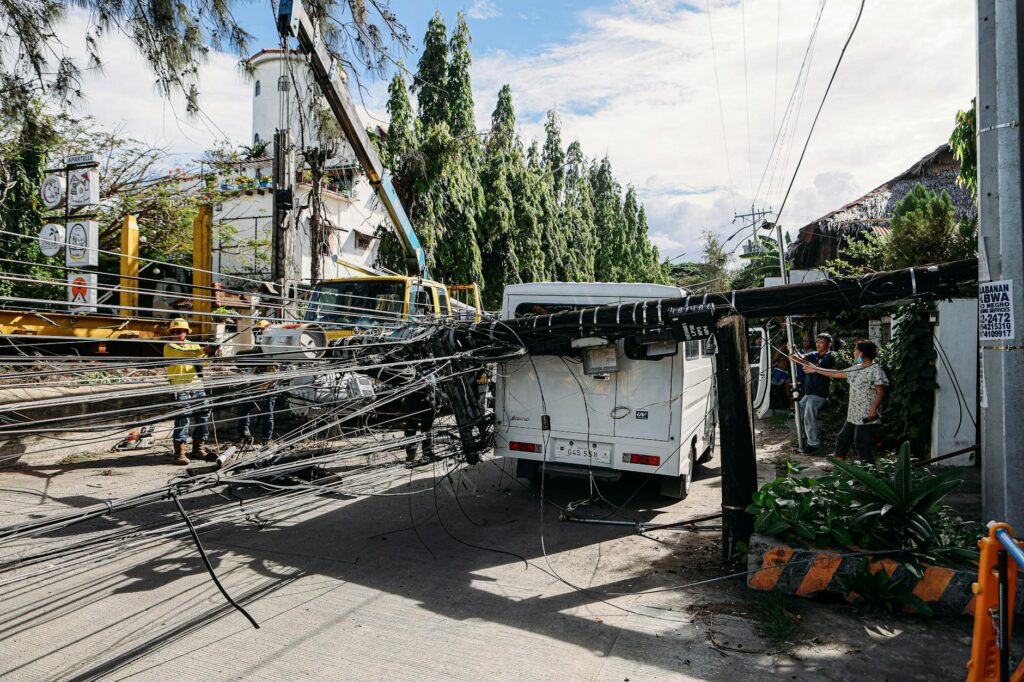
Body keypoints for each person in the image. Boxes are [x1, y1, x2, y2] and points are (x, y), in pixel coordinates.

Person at [794, 339, 887, 464]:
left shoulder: (875, 369)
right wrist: (815, 369)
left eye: (855, 350)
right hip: (854, 413)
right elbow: (836, 373)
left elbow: (880, 392)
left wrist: (873, 409)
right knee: (843, 438)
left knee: (861, 442)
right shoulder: (856, 368)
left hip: (866, 413)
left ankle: (869, 470)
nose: (854, 353)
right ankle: (839, 465)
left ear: (862, 353)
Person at [164, 318, 215, 465]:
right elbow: (184, 353)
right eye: (174, 331)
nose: (177, 334)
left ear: (186, 332)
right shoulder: (169, 346)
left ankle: (198, 448)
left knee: (203, 416)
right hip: (179, 388)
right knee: (183, 419)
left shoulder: (193, 345)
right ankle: (179, 453)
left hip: (196, 387)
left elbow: (204, 362)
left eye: (180, 331)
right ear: (170, 333)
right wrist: (204, 350)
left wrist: (211, 353)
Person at [790, 333, 835, 453]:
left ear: (828, 344)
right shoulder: (814, 354)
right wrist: (794, 350)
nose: (818, 344)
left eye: (821, 342)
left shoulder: (830, 356)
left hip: (820, 394)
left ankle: (814, 444)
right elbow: (802, 357)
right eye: (817, 342)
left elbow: (816, 367)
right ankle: (804, 441)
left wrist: (798, 360)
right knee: (799, 414)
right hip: (808, 394)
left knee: (808, 417)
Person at [239, 320, 278, 447]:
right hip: (256, 384)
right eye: (255, 331)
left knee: (267, 414)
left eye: (259, 331)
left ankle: (266, 439)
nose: (257, 334)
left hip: (268, 385)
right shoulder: (257, 348)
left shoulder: (272, 347)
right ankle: (245, 434)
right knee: (243, 408)